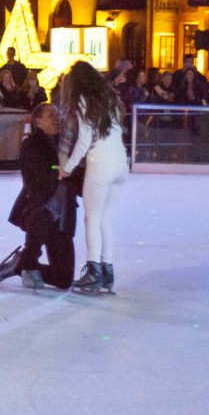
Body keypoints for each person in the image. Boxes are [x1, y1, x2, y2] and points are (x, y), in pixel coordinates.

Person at [0, 102, 76, 290]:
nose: (57, 119)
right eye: (51, 116)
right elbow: (38, 177)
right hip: (41, 211)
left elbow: (74, 174)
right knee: (34, 250)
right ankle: (26, 263)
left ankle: (20, 266)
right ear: (38, 121)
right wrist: (61, 170)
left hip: (65, 215)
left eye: (57, 115)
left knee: (64, 280)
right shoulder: (31, 145)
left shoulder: (65, 144)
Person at [60, 60, 129, 293]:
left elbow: (84, 140)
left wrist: (67, 168)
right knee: (105, 218)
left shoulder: (83, 101)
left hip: (101, 164)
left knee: (92, 219)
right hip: (121, 162)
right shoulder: (110, 98)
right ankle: (107, 270)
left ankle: (93, 271)